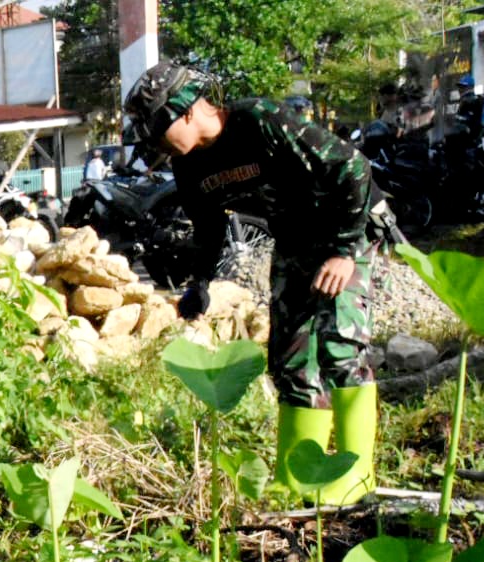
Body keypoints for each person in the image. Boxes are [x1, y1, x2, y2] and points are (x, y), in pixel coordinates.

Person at [125, 60, 390, 504]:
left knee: (339, 345)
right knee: (290, 359)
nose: (156, 145)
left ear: (187, 110)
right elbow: (209, 231)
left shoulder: (259, 121)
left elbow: (354, 170)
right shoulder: (189, 166)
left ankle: (357, 474)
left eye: (158, 130)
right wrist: (201, 282)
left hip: (349, 225)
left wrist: (344, 251)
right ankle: (296, 473)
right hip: (295, 241)